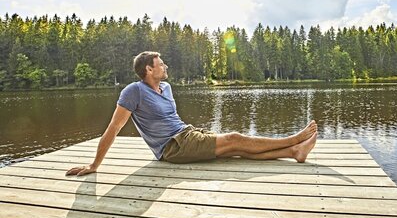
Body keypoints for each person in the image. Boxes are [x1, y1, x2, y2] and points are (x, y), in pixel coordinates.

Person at [66, 51, 318, 176]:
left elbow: (174, 121)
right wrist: (94, 164)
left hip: (187, 133)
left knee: (234, 150)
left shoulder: (166, 87)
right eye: (160, 64)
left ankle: (293, 152)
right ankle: (294, 139)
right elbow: (113, 129)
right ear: (148, 69)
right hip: (172, 148)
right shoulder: (134, 91)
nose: (165, 66)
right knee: (234, 138)